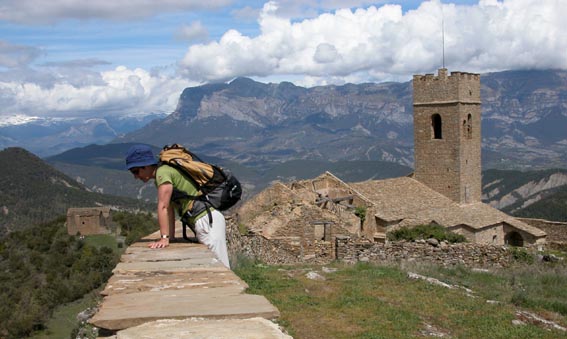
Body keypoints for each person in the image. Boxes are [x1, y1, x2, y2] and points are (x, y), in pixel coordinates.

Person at [125, 144, 230, 268]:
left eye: (136, 171)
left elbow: (163, 206)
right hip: (207, 220)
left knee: (220, 268)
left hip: (206, 221)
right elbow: (170, 208)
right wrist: (170, 237)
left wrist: (164, 238)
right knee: (216, 266)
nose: (136, 176)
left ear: (146, 166)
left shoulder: (162, 174)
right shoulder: (165, 171)